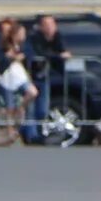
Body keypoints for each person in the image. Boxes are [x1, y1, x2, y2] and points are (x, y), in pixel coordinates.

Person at [24, 14, 67, 146]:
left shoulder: (57, 38)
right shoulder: (35, 38)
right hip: (30, 76)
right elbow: (39, 53)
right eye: (46, 25)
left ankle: (40, 133)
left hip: (44, 77)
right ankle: (31, 136)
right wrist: (58, 56)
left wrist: (60, 57)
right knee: (30, 108)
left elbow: (62, 51)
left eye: (52, 24)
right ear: (41, 27)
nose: (50, 28)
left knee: (43, 109)